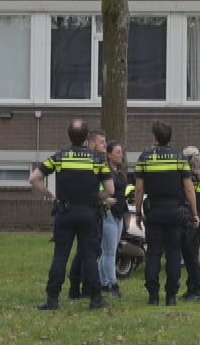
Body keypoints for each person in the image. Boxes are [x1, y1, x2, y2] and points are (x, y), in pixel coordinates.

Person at [29, 119, 111, 312]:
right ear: (86, 138)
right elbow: (110, 189)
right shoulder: (96, 159)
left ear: (69, 136)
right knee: (89, 256)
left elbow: (34, 178)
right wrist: (95, 197)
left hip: (65, 212)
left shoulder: (60, 156)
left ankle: (52, 299)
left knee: (60, 255)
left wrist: (50, 195)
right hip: (88, 212)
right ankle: (96, 299)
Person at [134, 121, 197, 306]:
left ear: (154, 138)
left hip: (154, 211)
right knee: (174, 254)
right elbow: (189, 189)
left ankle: (153, 296)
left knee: (153, 253)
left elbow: (139, 190)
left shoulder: (144, 158)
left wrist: (138, 213)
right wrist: (194, 213)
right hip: (175, 212)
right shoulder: (179, 158)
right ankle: (171, 296)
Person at [70, 131, 110, 299]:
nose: (105, 145)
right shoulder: (94, 162)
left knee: (83, 252)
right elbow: (100, 188)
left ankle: (77, 285)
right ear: (91, 143)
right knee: (88, 253)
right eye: (102, 142)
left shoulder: (98, 161)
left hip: (93, 209)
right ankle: (85, 287)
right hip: (90, 210)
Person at [99, 141, 131, 298]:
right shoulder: (104, 172)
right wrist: (105, 200)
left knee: (108, 251)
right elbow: (97, 190)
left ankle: (103, 282)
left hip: (119, 215)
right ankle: (113, 284)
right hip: (108, 215)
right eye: (117, 152)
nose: (121, 155)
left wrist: (125, 215)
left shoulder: (120, 173)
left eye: (121, 152)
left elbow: (123, 194)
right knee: (110, 252)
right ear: (109, 154)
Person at [179, 145, 200, 303]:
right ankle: (191, 288)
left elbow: (188, 199)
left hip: (192, 220)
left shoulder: (189, 177)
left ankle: (197, 289)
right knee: (193, 256)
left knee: (190, 257)